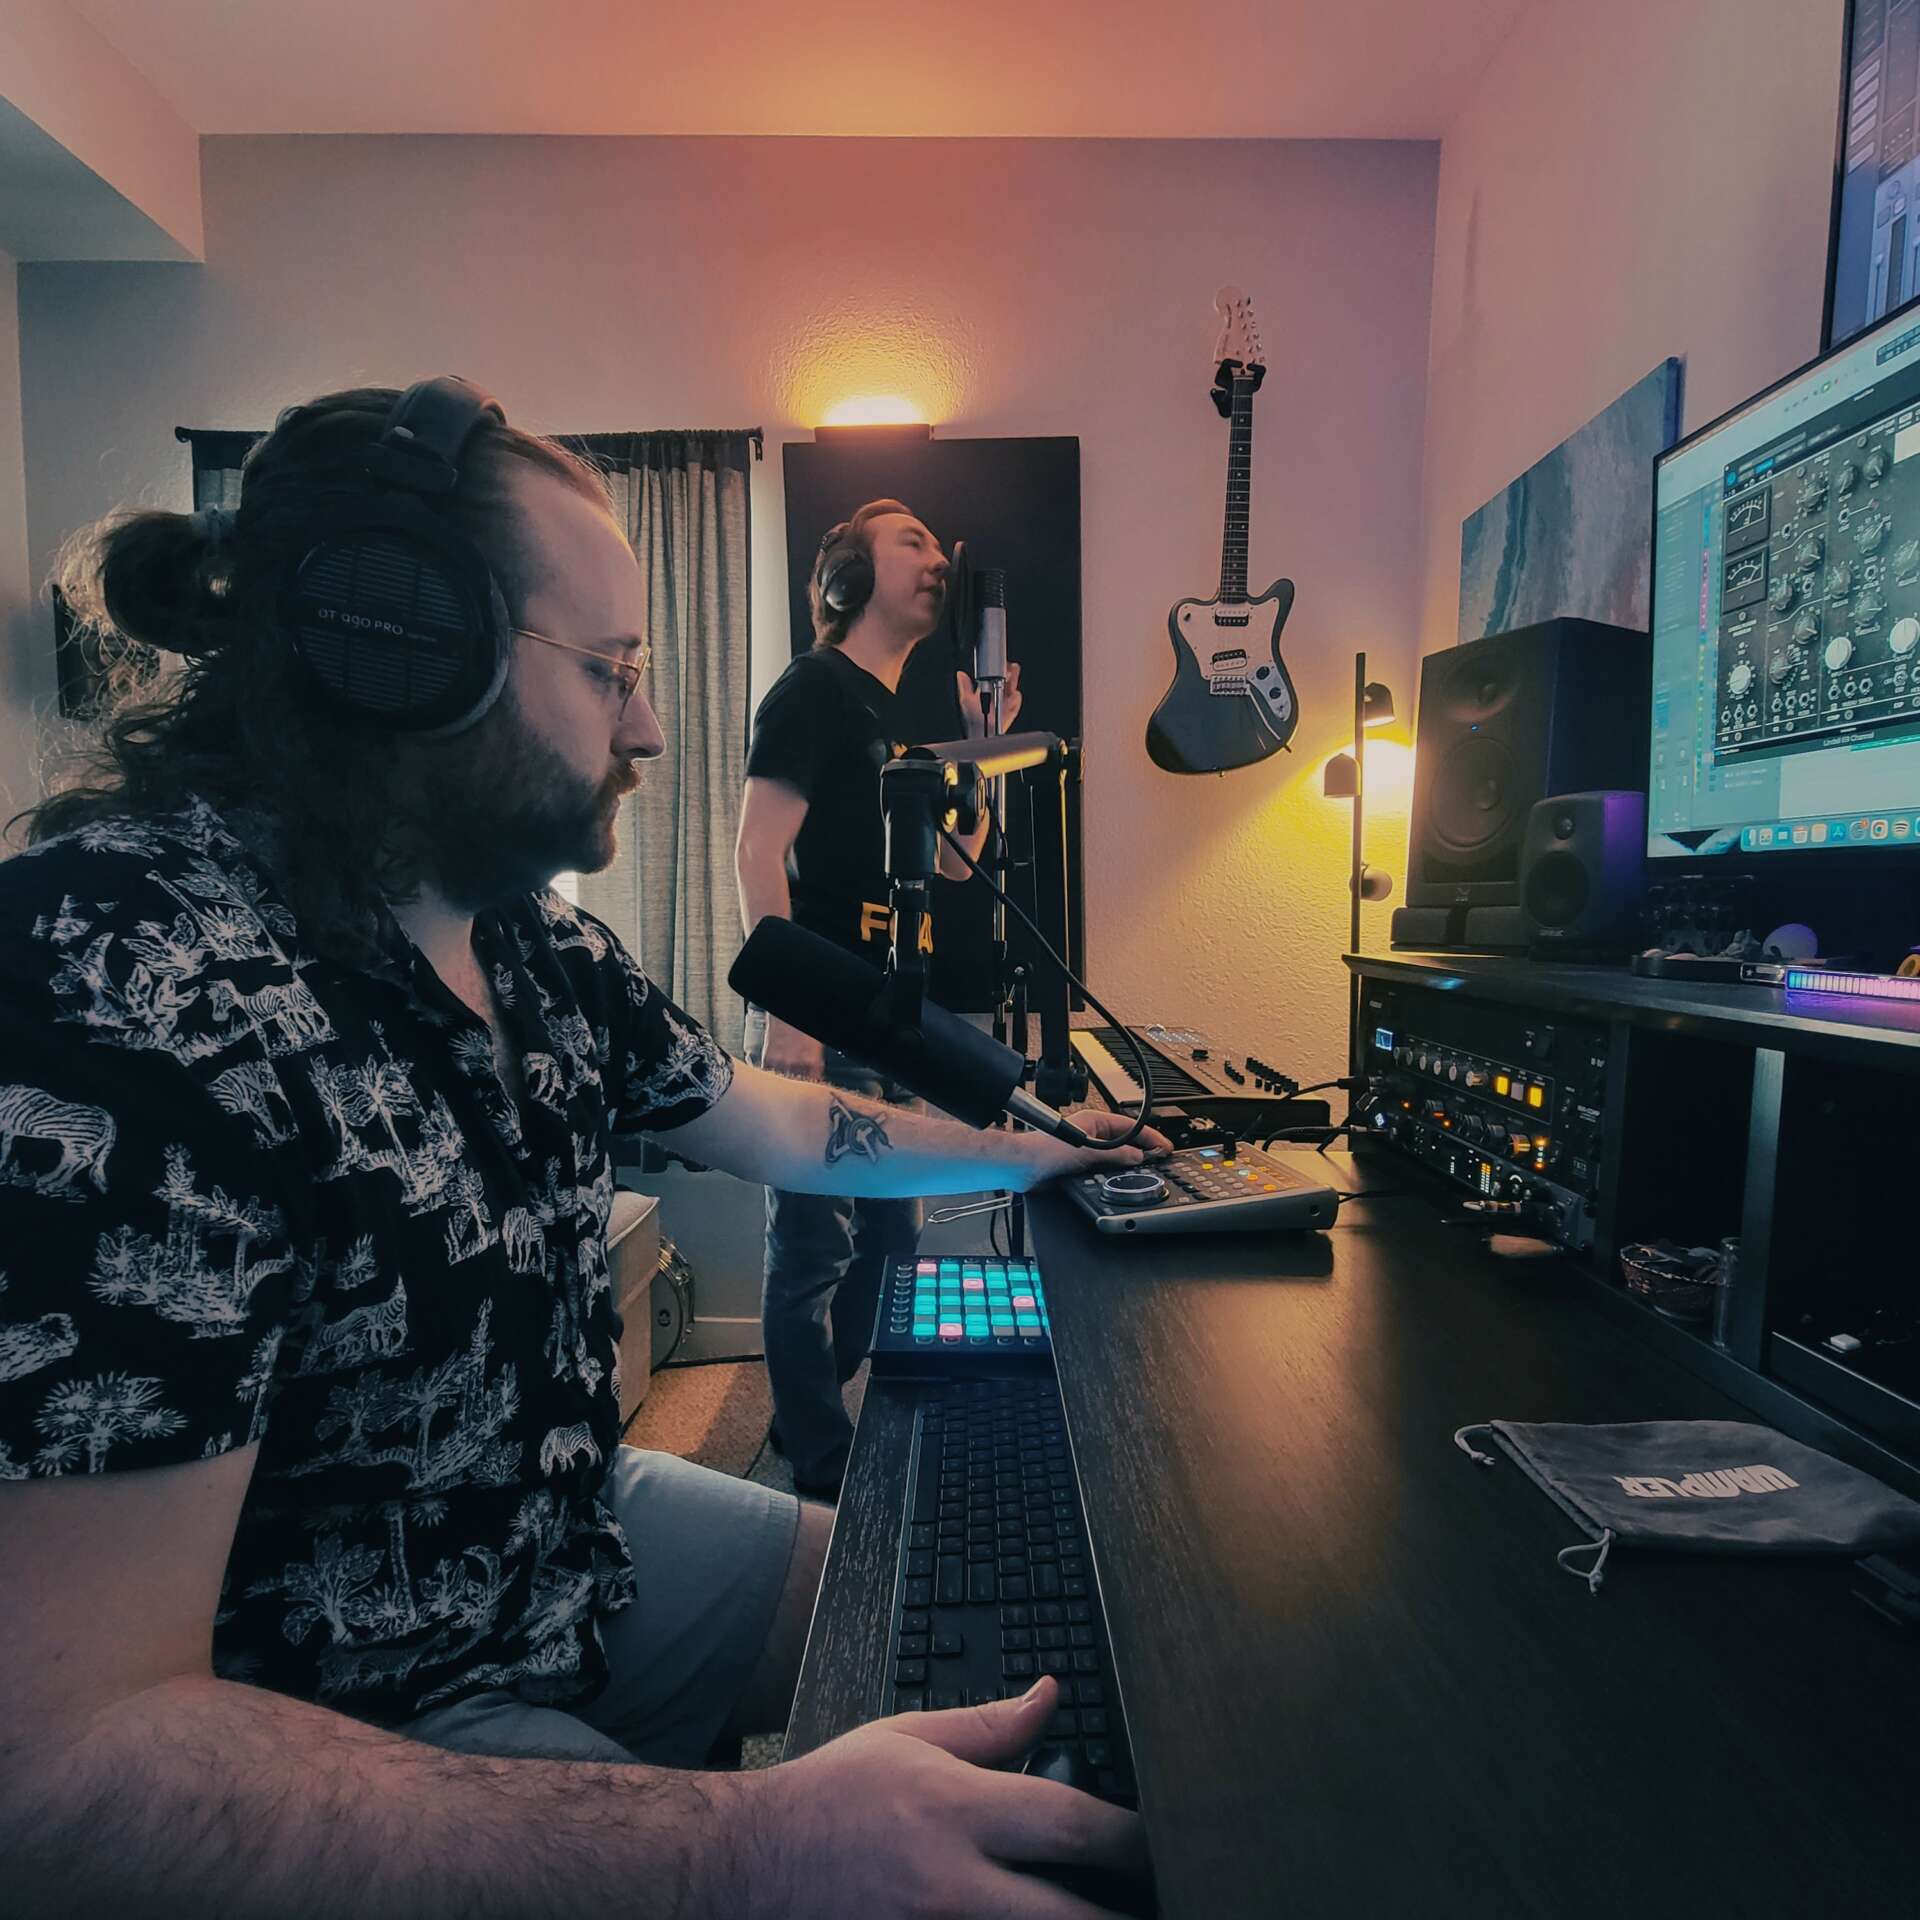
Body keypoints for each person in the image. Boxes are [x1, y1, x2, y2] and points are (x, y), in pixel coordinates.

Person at [0, 380, 1161, 1918]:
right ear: (409, 655)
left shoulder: (528, 939)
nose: (652, 726)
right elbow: (60, 1771)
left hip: (564, 1532)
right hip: (342, 1706)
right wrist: (742, 1846)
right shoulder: (112, 974)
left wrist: (1017, 1155)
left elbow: (765, 1117)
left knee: (986, 1615)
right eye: (611, 671)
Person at [736, 502, 1021, 1496]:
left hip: (893, 1022)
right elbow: (756, 852)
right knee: (814, 1249)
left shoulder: (897, 721)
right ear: (849, 578)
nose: (939, 558)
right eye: (913, 542)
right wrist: (789, 1013)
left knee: (893, 1240)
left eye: (940, 546)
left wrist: (983, 748)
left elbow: (954, 864)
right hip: (820, 1011)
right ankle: (820, 1468)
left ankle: (817, 1413)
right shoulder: (811, 688)